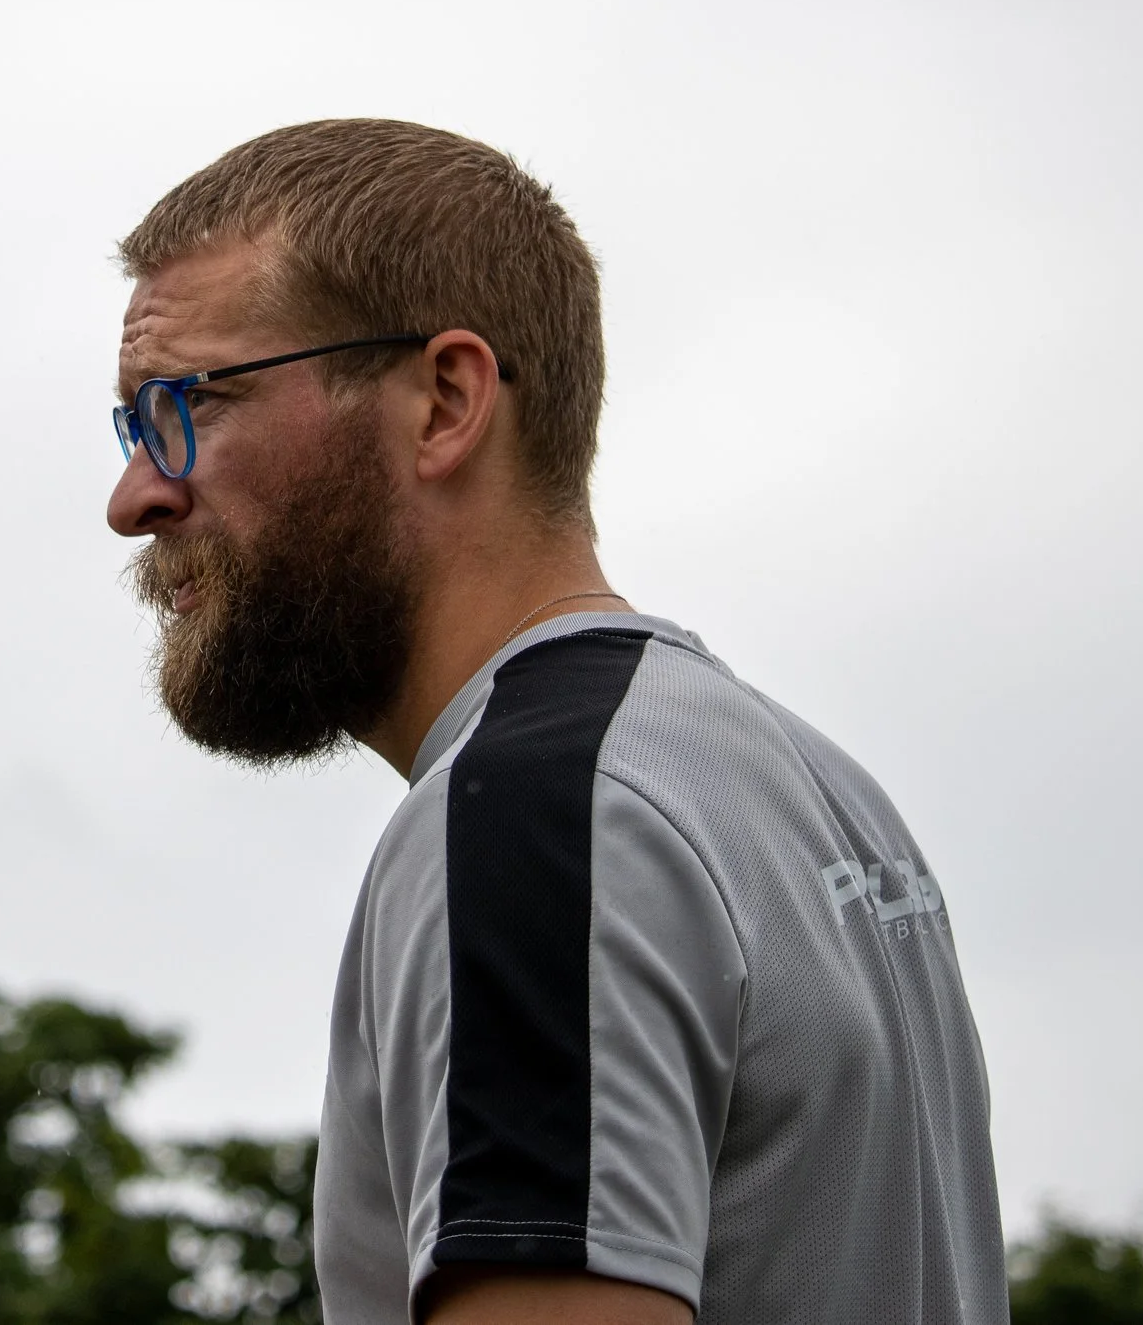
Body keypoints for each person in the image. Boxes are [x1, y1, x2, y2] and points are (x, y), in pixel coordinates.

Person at [105, 120, 1004, 1325]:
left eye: (188, 403)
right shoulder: (821, 796)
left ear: (444, 401)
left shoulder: (536, 818)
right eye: (131, 424)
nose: (135, 496)